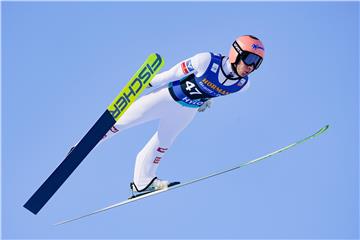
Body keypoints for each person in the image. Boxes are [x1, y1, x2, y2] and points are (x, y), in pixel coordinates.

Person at [101, 35, 265, 197]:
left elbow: (213, 88)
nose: (251, 66)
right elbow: (173, 74)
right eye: (249, 58)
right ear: (236, 53)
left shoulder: (242, 85)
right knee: (121, 122)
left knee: (163, 143)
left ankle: (142, 183)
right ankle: (81, 146)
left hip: (186, 111)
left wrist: (206, 100)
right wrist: (147, 82)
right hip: (166, 97)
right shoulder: (206, 60)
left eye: (257, 62)